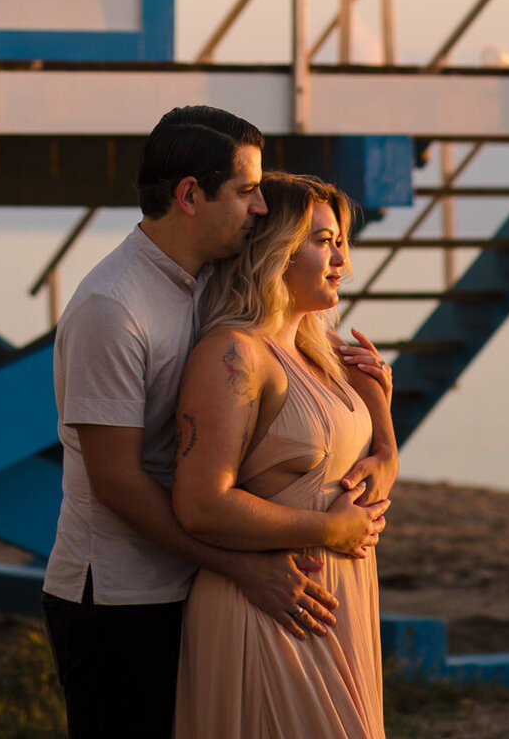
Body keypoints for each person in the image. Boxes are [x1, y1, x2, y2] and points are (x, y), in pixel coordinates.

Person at [42, 109, 393, 739]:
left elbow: (323, 356)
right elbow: (117, 481)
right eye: (245, 191)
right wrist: (241, 564)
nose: (260, 208)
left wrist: (383, 438)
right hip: (122, 598)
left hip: (199, 579)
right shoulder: (111, 308)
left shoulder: (209, 281)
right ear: (188, 196)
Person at [171, 171, 398, 739]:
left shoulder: (319, 350)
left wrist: (387, 439)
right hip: (266, 610)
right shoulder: (233, 356)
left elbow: (368, 464)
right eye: (324, 241)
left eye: (343, 241)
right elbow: (200, 504)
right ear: (275, 249)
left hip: (335, 607)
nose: (342, 260)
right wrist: (328, 530)